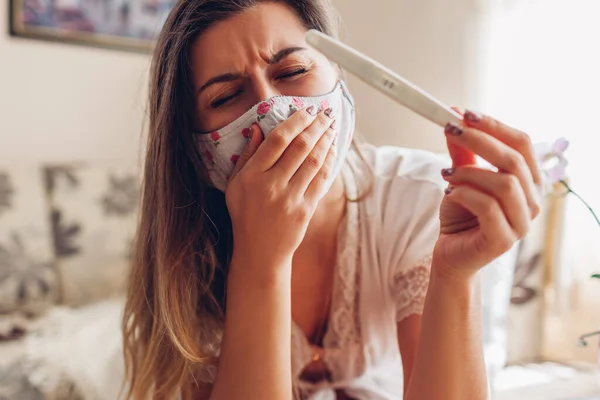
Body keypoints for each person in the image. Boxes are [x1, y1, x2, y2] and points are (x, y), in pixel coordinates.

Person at [122, 1, 542, 399]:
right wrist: (259, 259)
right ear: (191, 145)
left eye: (293, 70)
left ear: (337, 73)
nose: (272, 111)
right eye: (225, 97)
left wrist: (453, 273)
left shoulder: (420, 197)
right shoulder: (185, 259)